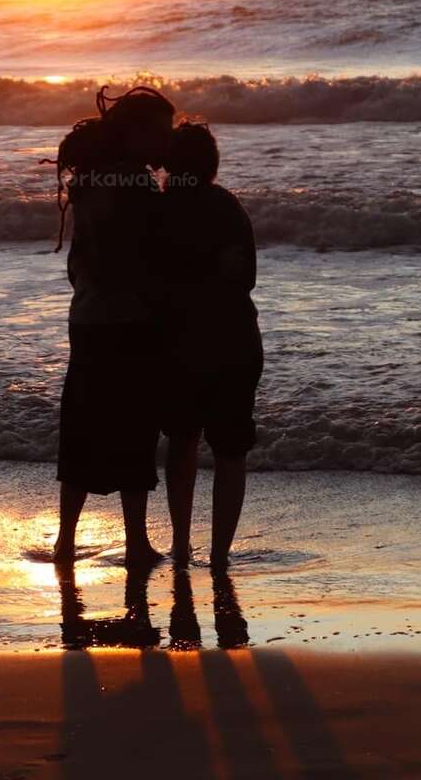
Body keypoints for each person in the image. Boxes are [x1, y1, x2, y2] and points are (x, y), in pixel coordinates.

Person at [50, 85, 175, 569]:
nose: (167, 144)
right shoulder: (136, 186)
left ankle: (65, 541)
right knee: (134, 428)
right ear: (138, 134)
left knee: (83, 424)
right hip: (129, 320)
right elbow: (147, 259)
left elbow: (82, 263)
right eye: (161, 133)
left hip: (87, 319)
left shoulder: (91, 181)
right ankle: (136, 542)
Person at [159, 121, 263, 571]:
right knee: (230, 451)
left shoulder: (159, 212)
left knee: (182, 443)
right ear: (211, 165)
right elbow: (246, 279)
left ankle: (181, 547)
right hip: (234, 339)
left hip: (180, 343)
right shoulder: (227, 208)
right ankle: (219, 555)